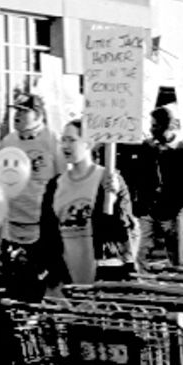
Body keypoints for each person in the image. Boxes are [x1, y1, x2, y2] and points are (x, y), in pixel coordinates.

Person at [38, 119, 135, 287]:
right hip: (68, 273)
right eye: (63, 140)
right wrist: (51, 273)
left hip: (103, 272)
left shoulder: (108, 180)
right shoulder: (56, 185)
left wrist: (117, 196)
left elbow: (123, 230)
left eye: (72, 140)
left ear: (88, 143)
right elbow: (47, 234)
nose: (66, 146)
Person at [0, 93, 66, 301]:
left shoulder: (52, 141)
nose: (16, 115)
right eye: (15, 110)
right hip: (12, 221)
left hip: (40, 223)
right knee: (13, 277)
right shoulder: (8, 141)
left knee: (40, 277)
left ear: (38, 115)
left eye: (22, 111)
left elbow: (63, 181)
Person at [131, 105, 183, 268]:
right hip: (148, 207)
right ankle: (141, 280)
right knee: (140, 250)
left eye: (155, 125)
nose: (151, 129)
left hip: (172, 209)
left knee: (176, 253)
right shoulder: (147, 147)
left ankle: (178, 282)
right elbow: (138, 174)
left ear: (167, 126)